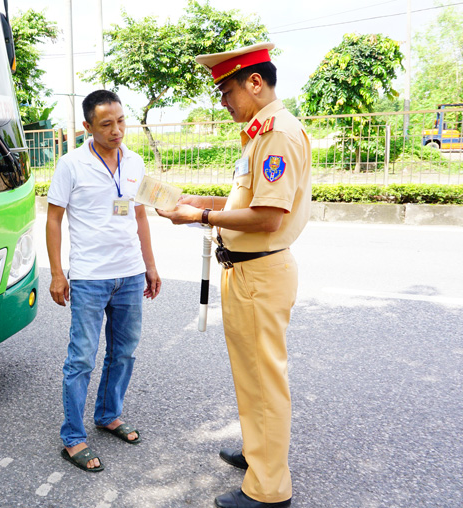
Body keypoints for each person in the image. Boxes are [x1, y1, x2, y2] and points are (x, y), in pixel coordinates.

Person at [157, 43, 311, 508]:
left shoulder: (278, 134)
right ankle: (258, 452)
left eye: (227, 91)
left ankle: (269, 490)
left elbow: (266, 217)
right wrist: (199, 203)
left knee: (264, 378)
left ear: (256, 83)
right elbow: (243, 203)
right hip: (247, 273)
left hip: (260, 272)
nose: (222, 101)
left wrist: (198, 220)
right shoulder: (259, 133)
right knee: (250, 375)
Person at [46, 90, 161, 473]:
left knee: (124, 351)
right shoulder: (71, 164)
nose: (117, 130)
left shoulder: (135, 161)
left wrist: (150, 265)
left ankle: (108, 414)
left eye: (121, 121)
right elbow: (53, 220)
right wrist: (58, 273)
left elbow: (140, 216)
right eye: (107, 124)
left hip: (129, 274)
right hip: (90, 277)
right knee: (81, 358)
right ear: (88, 127)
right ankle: (73, 438)